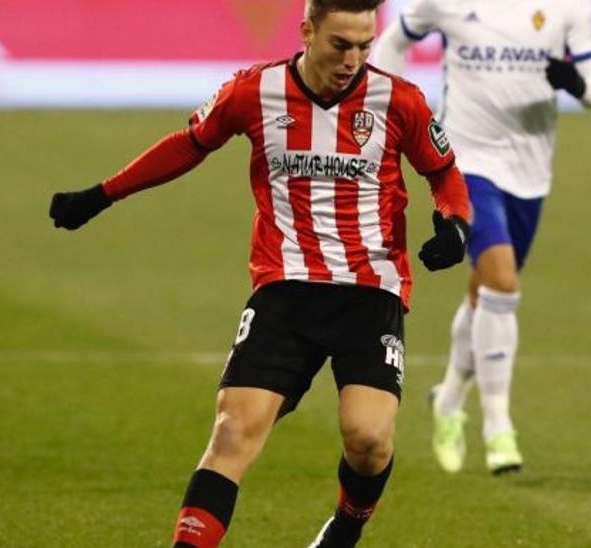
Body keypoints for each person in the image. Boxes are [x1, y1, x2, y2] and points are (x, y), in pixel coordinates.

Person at [48, 1, 472, 546]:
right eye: (340, 44)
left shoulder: (399, 100)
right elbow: (189, 146)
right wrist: (102, 195)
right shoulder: (254, 92)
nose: (353, 60)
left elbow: (444, 173)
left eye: (365, 47)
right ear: (307, 31)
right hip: (284, 289)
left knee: (368, 440)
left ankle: (346, 527)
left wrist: (454, 226)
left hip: (370, 291)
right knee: (232, 431)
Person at [373, 0, 591, 475]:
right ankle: (498, 425)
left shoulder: (569, 8)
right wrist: (388, 108)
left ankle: (449, 398)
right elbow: (394, 40)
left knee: (487, 293)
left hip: (529, 170)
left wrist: (574, 82)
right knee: (502, 283)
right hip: (466, 162)